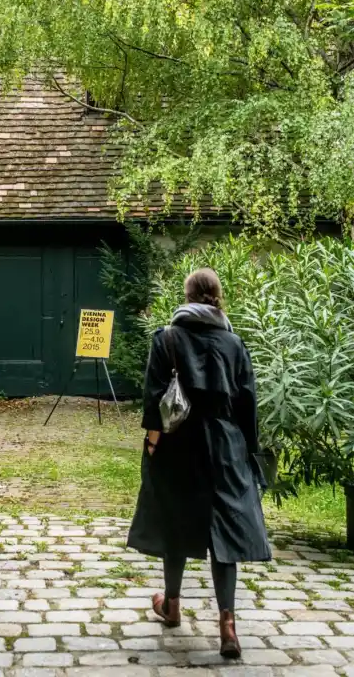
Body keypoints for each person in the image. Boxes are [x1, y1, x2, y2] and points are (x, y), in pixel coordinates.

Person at [127, 267, 271, 660]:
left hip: (180, 443)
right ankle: (228, 625)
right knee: (223, 532)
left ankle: (172, 606)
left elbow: (155, 395)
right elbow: (247, 403)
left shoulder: (168, 338)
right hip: (226, 445)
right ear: (217, 297)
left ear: (187, 296)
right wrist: (249, 450)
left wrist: (153, 442)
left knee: (177, 521)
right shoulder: (235, 344)